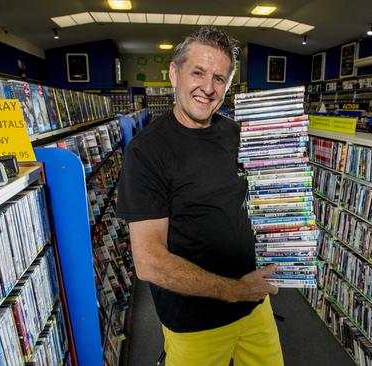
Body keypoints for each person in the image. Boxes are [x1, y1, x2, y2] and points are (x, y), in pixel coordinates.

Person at [117, 26, 284, 366]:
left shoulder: (237, 134)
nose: (208, 88)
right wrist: (238, 291)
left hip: (255, 306)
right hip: (195, 323)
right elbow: (149, 262)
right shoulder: (146, 152)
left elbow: (257, 203)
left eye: (220, 78)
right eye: (198, 73)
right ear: (174, 74)